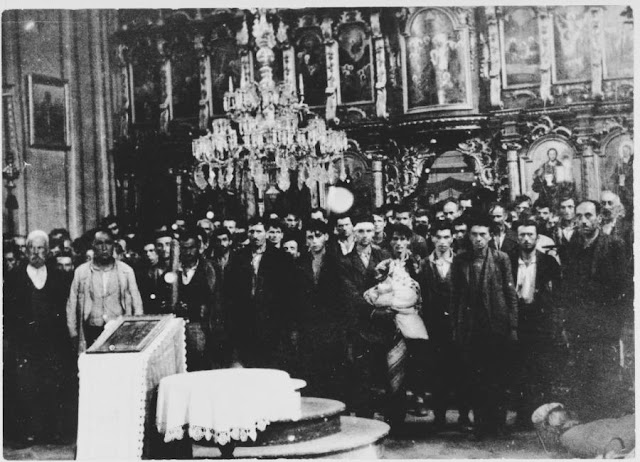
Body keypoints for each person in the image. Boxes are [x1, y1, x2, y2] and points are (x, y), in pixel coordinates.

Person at [559, 200, 631, 420]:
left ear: (600, 218)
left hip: (605, 325)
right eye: (579, 216)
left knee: (605, 376)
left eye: (589, 215)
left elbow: (624, 287)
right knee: (581, 375)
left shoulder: (614, 245)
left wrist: (615, 324)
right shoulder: (571, 247)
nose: (583, 221)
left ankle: (604, 428)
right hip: (580, 325)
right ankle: (585, 428)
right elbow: (567, 287)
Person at [451, 214, 518, 439]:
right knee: (475, 378)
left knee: (497, 377)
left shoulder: (501, 259)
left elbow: (511, 294)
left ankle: (497, 424)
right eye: (474, 234)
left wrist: (513, 326)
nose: (478, 239)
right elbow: (455, 296)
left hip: (496, 327)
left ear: (491, 236)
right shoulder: (460, 260)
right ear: (468, 236)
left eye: (483, 234)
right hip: (472, 328)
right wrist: (456, 327)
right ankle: (481, 426)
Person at [4, 230, 73, 445]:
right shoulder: (15, 276)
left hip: (51, 344)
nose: (36, 252)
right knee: (25, 387)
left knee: (51, 386)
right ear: (26, 251)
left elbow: (64, 309)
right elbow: (8, 309)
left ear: (47, 251)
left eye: (40, 248)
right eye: (32, 248)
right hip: (24, 344)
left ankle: (51, 431)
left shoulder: (57, 276)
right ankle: (26, 433)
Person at [339, 216, 405, 429]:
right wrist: (374, 309)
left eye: (369, 231)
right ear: (353, 233)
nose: (365, 235)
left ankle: (393, 422)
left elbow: (393, 284)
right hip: (362, 326)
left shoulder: (384, 256)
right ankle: (365, 423)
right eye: (360, 231)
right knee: (363, 376)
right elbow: (350, 295)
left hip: (386, 325)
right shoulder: (345, 262)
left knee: (388, 374)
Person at [508, 219, 562, 429]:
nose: (526, 239)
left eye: (530, 234)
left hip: (540, 323)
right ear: (516, 237)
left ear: (538, 238)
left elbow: (557, 295)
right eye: (522, 235)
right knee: (519, 370)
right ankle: (522, 417)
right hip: (517, 321)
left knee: (540, 370)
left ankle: (541, 417)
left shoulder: (548, 263)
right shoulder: (509, 260)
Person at [225, 217, 299, 369]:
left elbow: (289, 294)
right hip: (246, 324)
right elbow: (229, 291)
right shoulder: (238, 257)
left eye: (259, 231)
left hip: (273, 324)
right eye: (251, 231)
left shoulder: (281, 258)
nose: (255, 235)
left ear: (266, 233)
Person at [420, 221, 471, 430]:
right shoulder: (425, 264)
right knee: (438, 373)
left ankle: (464, 416)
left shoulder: (461, 262)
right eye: (438, 237)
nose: (442, 242)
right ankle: (439, 417)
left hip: (458, 326)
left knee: (462, 372)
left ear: (453, 238)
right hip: (434, 327)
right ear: (432, 238)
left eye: (446, 237)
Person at [66, 229, 144, 353]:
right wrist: (73, 334)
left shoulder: (126, 271)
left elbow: (137, 303)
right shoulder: (81, 272)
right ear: (93, 245)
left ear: (113, 245)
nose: (104, 248)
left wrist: (136, 331)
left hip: (119, 330)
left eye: (108, 243)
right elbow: (72, 304)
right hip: (91, 330)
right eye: (99, 243)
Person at [296, 219, 345, 400]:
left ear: (326, 237)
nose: (314, 241)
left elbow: (342, 296)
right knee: (310, 371)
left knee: (332, 371)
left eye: (318, 236)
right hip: (308, 326)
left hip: (332, 326)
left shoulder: (337, 261)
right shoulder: (299, 263)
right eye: (310, 237)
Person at [175, 229, 219, 370]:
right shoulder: (174, 270)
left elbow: (215, 298)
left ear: (198, 248)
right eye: (184, 248)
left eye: (191, 248)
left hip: (201, 326)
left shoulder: (210, 269)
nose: (188, 252)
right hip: (178, 326)